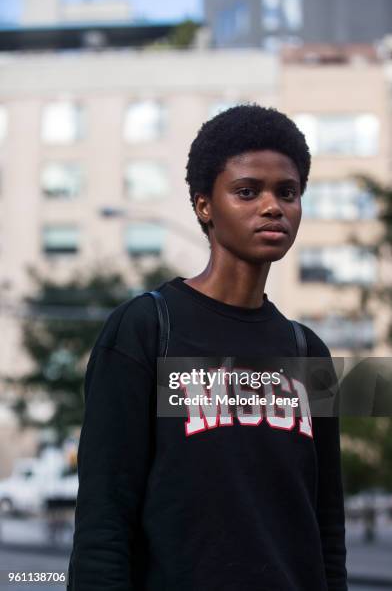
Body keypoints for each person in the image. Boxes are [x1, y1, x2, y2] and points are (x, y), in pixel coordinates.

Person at [68, 104, 348, 590]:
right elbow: (104, 516)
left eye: (288, 192)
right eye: (247, 191)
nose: (272, 207)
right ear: (204, 206)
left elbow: (326, 526)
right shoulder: (148, 329)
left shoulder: (308, 352)